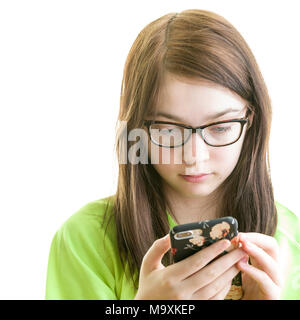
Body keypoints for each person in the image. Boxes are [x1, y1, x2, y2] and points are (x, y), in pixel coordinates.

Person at [45, 9, 300, 300]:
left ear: (251, 120)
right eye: (168, 131)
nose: (194, 156)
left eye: (220, 127)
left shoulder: (292, 240)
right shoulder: (85, 240)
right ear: (137, 130)